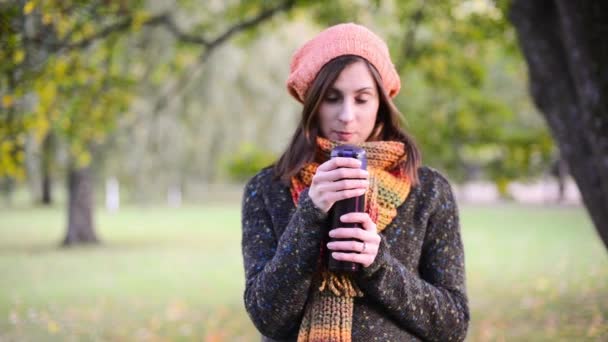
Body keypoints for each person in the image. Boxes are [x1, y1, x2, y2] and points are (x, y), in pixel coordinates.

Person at [241, 22, 469, 342]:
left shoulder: (428, 190)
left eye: (362, 99)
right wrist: (310, 212)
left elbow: (453, 324)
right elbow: (268, 316)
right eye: (332, 98)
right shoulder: (268, 188)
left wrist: (379, 265)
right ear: (312, 103)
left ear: (381, 103)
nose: (347, 116)